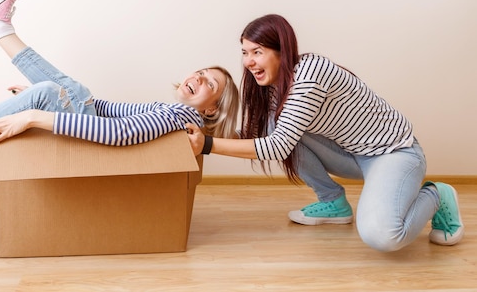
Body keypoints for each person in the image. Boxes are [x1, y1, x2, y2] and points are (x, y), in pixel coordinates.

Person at [186, 14, 464, 252]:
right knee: (274, 126)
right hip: (350, 155)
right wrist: (202, 128)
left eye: (257, 51)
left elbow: (278, 147)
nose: (248, 61)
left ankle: (438, 195)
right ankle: (333, 202)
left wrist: (208, 145)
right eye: (245, 52)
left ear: (282, 50)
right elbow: (257, 136)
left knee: (383, 236)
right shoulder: (272, 87)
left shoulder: (310, 74)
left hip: (393, 154)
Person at [0, 0, 239, 166]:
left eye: (211, 84)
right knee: (68, 90)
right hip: (94, 136)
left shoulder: (182, 118)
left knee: (53, 91)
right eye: (202, 71)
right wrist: (45, 99)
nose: (199, 78)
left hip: (102, 155)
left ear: (211, 110)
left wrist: (36, 111)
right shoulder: (171, 111)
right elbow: (110, 110)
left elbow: (119, 133)